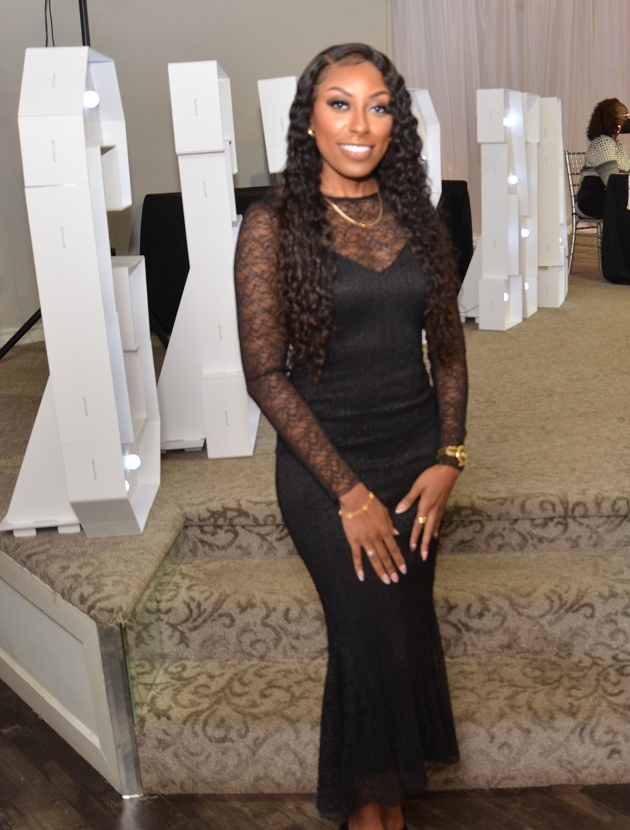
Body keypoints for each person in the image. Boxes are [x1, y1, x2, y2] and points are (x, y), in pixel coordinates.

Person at [234, 43, 467, 830]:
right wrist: (350, 494)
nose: (359, 124)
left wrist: (449, 457)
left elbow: (450, 354)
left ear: (396, 122)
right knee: (366, 635)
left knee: (397, 636)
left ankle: (381, 807)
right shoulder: (271, 225)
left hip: (414, 462)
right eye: (339, 103)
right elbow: (265, 375)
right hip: (323, 467)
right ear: (308, 120)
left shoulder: (418, 218)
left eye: (378, 106)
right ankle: (373, 819)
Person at [576, 98, 630, 218]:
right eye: (625, 116)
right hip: (592, 200)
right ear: (612, 119)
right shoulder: (603, 143)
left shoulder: (614, 143)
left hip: (608, 196)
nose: (628, 120)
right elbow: (612, 181)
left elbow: (628, 174)